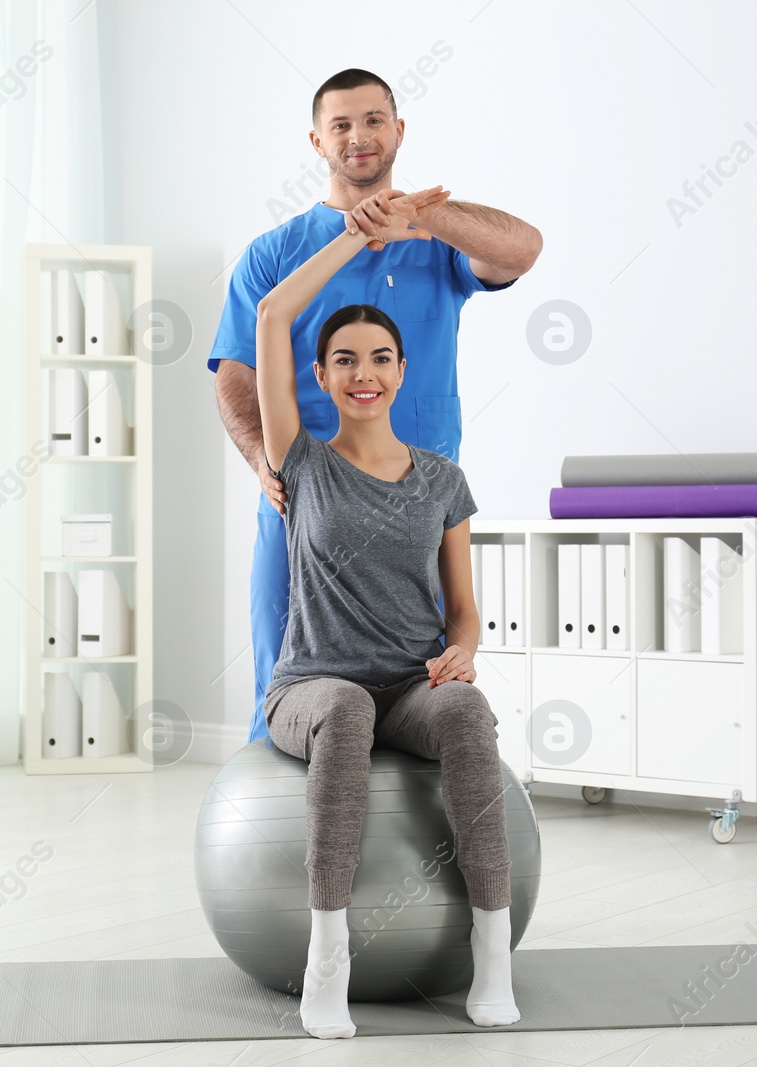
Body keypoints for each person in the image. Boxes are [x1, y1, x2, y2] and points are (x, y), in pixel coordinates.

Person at [208, 67, 542, 748]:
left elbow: (523, 249)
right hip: (306, 497)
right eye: (341, 125)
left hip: (419, 502)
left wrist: (419, 214)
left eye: (372, 119)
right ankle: (278, 836)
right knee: (285, 670)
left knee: (428, 675)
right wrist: (262, 462)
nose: (358, 137)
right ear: (317, 140)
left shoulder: (439, 243)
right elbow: (238, 370)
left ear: (398, 130)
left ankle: (414, 830)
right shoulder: (275, 254)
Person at [255, 185, 518, 1040]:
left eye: (378, 358)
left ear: (401, 373)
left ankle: (493, 957)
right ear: (322, 376)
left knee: (468, 710)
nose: (361, 374)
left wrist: (463, 654)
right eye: (343, 360)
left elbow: (465, 611)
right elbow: (270, 312)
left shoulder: (442, 479)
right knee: (345, 702)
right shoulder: (301, 464)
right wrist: (353, 238)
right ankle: (327, 961)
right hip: (311, 687)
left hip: (410, 686)